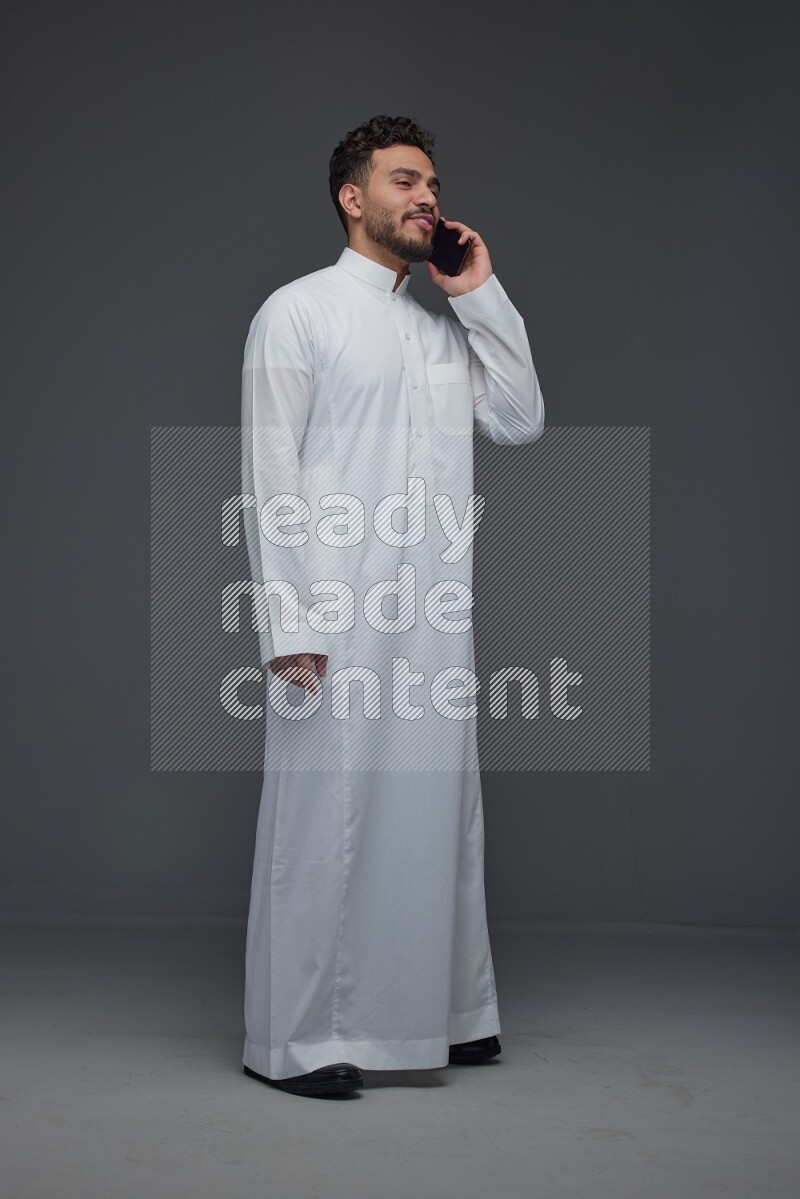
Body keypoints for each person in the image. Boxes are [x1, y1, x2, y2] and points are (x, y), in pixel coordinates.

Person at [239, 114, 545, 1098]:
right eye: (404, 179)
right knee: (325, 818)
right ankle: (296, 1039)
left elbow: (518, 419)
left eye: (433, 183)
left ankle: (451, 1014)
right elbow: (270, 471)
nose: (426, 196)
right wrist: (291, 623)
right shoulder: (297, 311)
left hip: (431, 611)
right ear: (350, 195)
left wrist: (478, 293)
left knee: (437, 810)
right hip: (335, 605)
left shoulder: (436, 329)